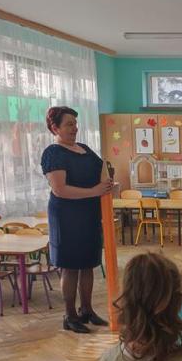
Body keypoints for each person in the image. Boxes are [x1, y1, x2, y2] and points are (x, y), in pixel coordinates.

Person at [41, 106, 113, 333]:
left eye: (75, 124)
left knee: (88, 263)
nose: (74, 128)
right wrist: (94, 191)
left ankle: (87, 310)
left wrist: (109, 185)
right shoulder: (53, 153)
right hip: (67, 217)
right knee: (70, 266)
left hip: (89, 214)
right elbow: (60, 189)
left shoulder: (85, 149)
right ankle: (70, 315)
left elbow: (103, 172)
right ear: (55, 128)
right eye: (69, 124)